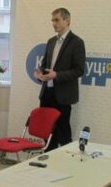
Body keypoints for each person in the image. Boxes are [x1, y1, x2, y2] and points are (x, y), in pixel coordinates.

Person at [34, 8, 85, 149]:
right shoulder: (51, 41)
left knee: (63, 133)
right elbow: (45, 65)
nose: (53, 23)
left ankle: (65, 160)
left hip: (63, 96)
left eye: (56, 20)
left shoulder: (77, 42)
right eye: (52, 20)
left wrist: (56, 75)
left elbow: (79, 70)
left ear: (67, 20)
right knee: (47, 132)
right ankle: (48, 158)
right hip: (47, 94)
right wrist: (40, 73)